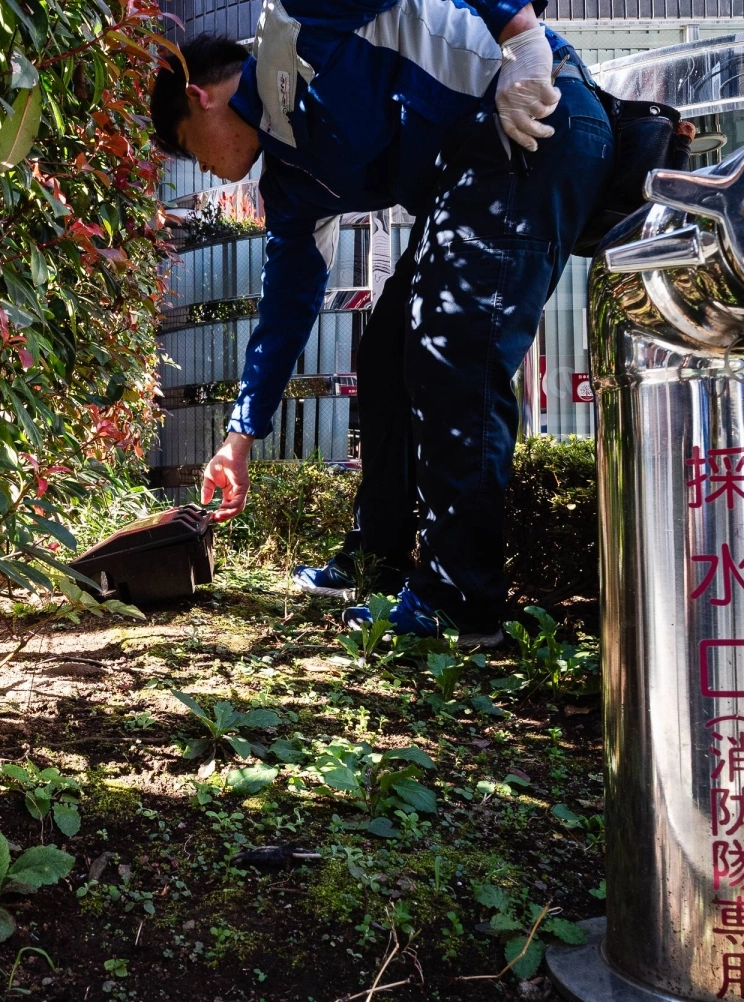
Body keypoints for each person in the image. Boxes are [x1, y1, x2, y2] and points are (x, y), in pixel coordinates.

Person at [151, 0, 611, 644]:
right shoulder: (291, 181)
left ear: (199, 98)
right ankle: (382, 554)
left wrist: (522, 37)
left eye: (188, 152)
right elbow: (283, 313)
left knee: (451, 350)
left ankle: (461, 599)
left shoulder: (296, 25)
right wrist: (239, 439)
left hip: (534, 114)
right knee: (388, 351)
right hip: (468, 174)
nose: (202, 168)